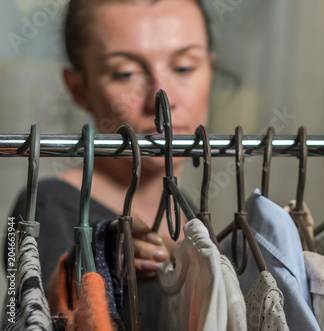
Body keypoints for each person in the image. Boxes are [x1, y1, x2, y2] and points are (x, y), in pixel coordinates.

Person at [5, 0, 214, 328]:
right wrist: (94, 260)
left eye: (185, 67)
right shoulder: (42, 207)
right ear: (79, 88)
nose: (161, 98)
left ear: (210, 69)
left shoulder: (191, 213)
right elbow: (19, 317)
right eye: (125, 73)